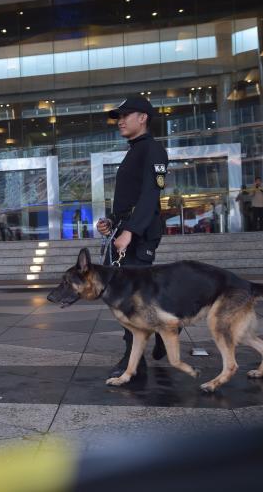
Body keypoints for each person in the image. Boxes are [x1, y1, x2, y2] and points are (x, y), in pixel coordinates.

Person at [97, 97, 169, 378]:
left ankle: (133, 358)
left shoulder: (152, 150)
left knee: (131, 298)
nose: (120, 121)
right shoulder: (135, 151)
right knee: (130, 295)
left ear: (144, 118)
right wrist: (112, 222)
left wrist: (129, 231)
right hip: (128, 230)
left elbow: (152, 195)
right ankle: (163, 333)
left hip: (140, 235)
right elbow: (130, 198)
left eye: (126, 115)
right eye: (118, 116)